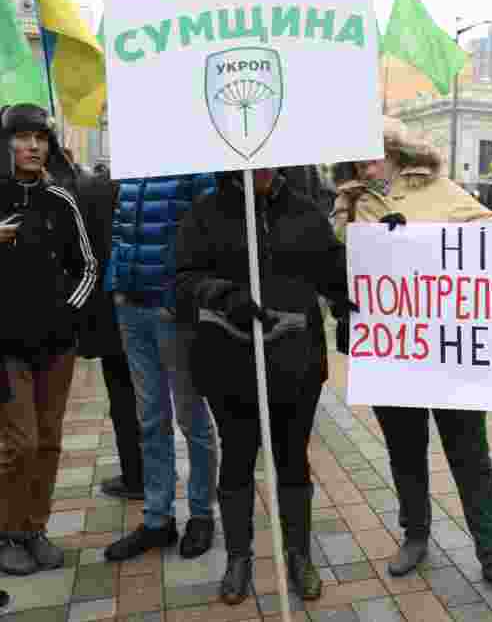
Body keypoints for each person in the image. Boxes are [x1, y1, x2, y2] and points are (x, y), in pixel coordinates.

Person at [332, 117, 492, 603]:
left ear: (395, 150)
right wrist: (369, 245)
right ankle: (415, 536)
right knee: (405, 452)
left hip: (450, 352)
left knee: (470, 456)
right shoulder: (351, 202)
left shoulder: (441, 190)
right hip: (393, 353)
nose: (367, 164)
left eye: (374, 153)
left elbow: (491, 230)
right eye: (359, 157)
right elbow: (339, 265)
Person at [177, 167, 351, 604]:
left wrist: (380, 243)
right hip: (228, 362)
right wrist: (222, 294)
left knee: (292, 458)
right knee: (237, 457)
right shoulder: (205, 212)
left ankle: (299, 555)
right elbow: (182, 280)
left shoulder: (305, 210)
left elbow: (336, 275)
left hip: (296, 363)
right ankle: (239, 558)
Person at [0, 104, 98, 575]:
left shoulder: (61, 199)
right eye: (22, 136)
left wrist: (67, 316)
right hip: (6, 348)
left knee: (50, 441)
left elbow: (88, 265)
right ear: (6, 143)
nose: (33, 146)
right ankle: (6, 532)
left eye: (40, 137)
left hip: (56, 347)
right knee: (20, 441)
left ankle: (34, 530)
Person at [103, 169, 219, 562]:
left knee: (191, 417)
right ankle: (158, 519)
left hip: (173, 313)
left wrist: (179, 300)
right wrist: (115, 284)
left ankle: (201, 515)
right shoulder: (131, 171)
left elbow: (207, 233)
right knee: (150, 418)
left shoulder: (195, 165)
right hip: (132, 309)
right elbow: (119, 231)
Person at [74, 166, 144, 500]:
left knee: (123, 399)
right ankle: (148, 474)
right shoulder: (148, 185)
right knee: (149, 400)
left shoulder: (90, 189)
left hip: (108, 313)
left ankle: (136, 476)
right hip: (145, 307)